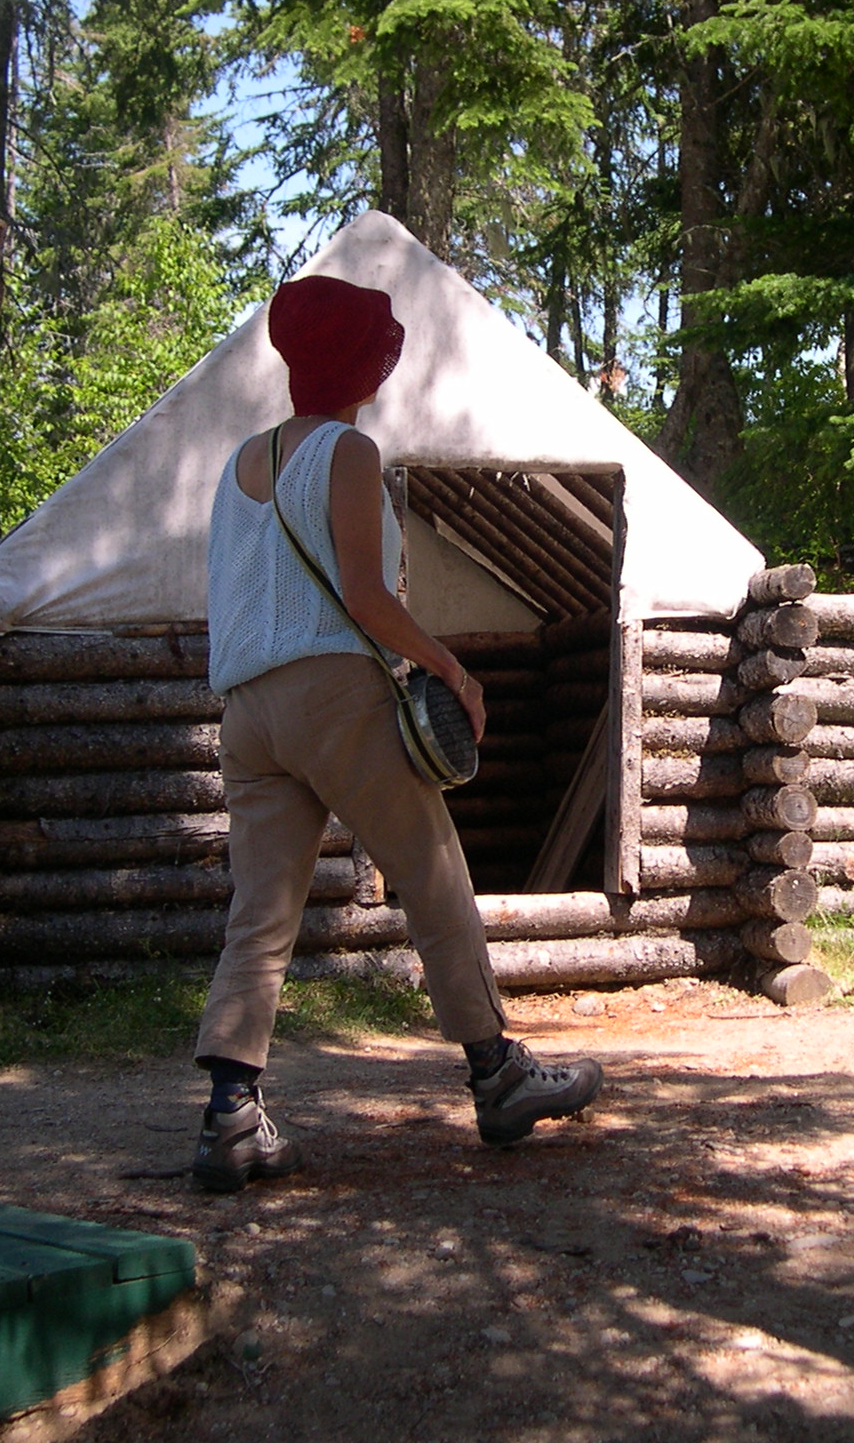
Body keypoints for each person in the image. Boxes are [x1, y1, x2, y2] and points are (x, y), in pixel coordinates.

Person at [190, 273, 604, 1191]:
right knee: (433, 874)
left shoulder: (237, 465)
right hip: (332, 697)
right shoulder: (345, 451)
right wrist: (452, 669)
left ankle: (230, 1117)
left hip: (247, 714)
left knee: (259, 916)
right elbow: (366, 597)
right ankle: (497, 1076)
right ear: (356, 361)